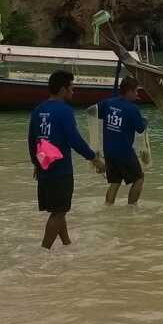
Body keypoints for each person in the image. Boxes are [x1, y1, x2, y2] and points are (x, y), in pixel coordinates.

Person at [28, 70, 105, 250]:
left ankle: (66, 244)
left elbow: (32, 139)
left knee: (58, 210)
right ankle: (44, 251)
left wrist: (35, 163)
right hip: (60, 170)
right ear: (63, 89)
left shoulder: (38, 109)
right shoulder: (64, 111)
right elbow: (75, 140)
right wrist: (94, 158)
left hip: (44, 168)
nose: (73, 91)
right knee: (59, 212)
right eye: (72, 88)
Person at [98, 76, 147, 206]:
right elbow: (140, 129)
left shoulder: (106, 103)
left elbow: (94, 112)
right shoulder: (132, 109)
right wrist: (144, 121)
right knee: (139, 179)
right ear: (129, 91)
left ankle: (107, 207)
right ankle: (131, 208)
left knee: (115, 182)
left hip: (108, 151)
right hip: (124, 152)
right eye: (136, 91)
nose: (137, 94)